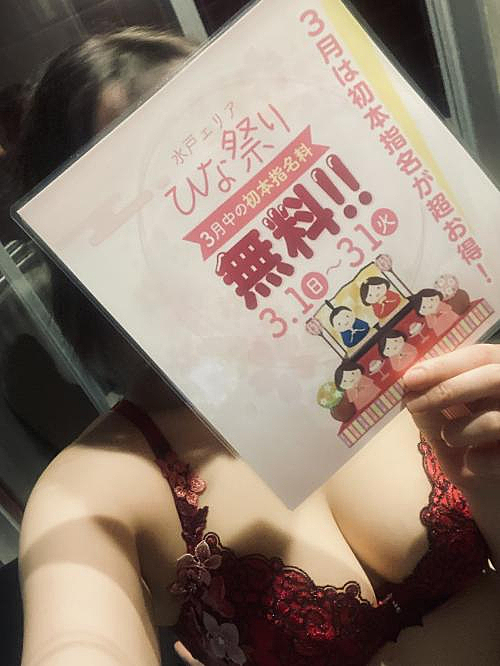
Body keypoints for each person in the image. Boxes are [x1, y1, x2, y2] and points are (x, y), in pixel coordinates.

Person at [15, 29, 500, 666]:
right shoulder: (99, 487)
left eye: (219, 145)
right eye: (148, 192)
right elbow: (77, 640)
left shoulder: (397, 335)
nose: (206, 200)